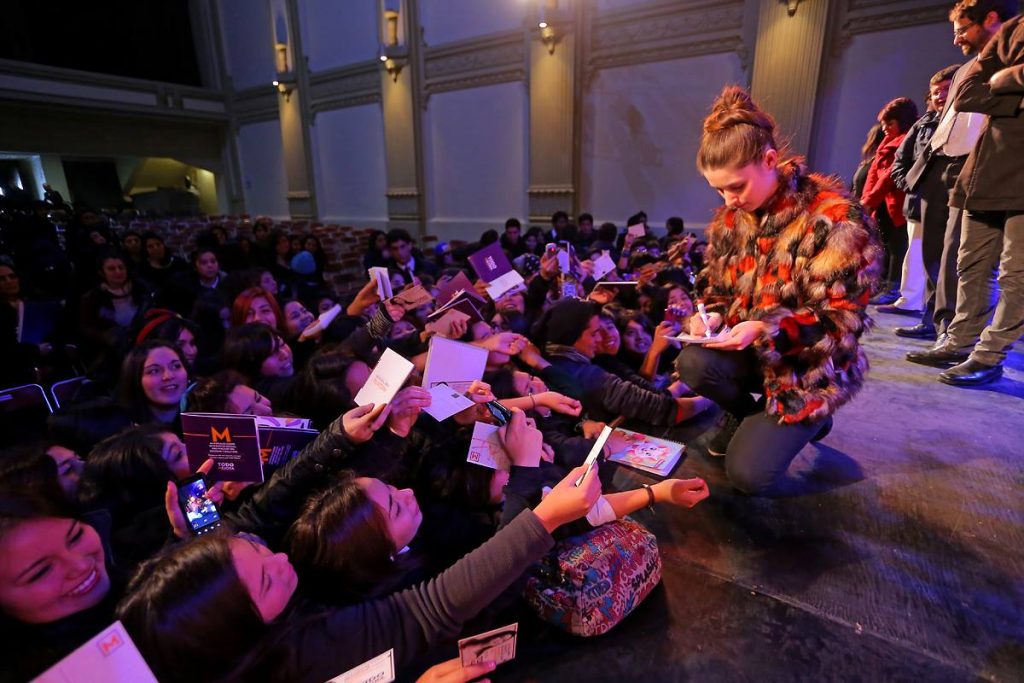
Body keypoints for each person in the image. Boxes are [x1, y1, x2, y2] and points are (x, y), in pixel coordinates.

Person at [116, 464, 602, 683]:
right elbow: (434, 605)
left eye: (254, 548)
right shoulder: (308, 653)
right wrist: (544, 517)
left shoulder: (255, 577)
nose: (281, 560)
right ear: (240, 635)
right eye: (264, 581)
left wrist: (196, 529)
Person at [675, 85, 880, 495]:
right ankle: (747, 414)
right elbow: (716, 289)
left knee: (749, 475)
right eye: (719, 190)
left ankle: (814, 418)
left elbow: (841, 323)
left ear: (770, 161)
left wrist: (765, 329)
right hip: (752, 351)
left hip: (809, 367)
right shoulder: (731, 222)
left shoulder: (835, 220)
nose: (729, 201)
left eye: (737, 187)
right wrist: (711, 315)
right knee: (692, 362)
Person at [901, 0, 1014, 351]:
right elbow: (959, 106)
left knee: (963, 255)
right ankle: (934, 320)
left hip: (976, 163)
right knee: (936, 250)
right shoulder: (968, 67)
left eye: (963, 30)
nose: (956, 39)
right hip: (942, 163)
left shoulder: (1008, 60)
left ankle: (953, 331)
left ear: (991, 19)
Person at [931, 9, 1024, 386]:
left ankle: (989, 355)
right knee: (971, 264)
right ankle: (960, 342)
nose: (958, 38)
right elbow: (967, 93)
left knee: (1016, 275)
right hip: (985, 171)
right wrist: (1015, 96)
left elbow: (986, 85)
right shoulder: (1013, 28)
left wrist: (1002, 78)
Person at [861, 97, 919, 305]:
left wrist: (870, 200)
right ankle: (883, 284)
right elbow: (874, 173)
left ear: (902, 121)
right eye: (884, 123)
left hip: (898, 203)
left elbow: (889, 176)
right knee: (884, 243)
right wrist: (867, 199)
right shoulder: (886, 142)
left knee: (897, 246)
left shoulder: (908, 140)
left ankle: (893, 288)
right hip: (883, 203)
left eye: (890, 123)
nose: (884, 128)